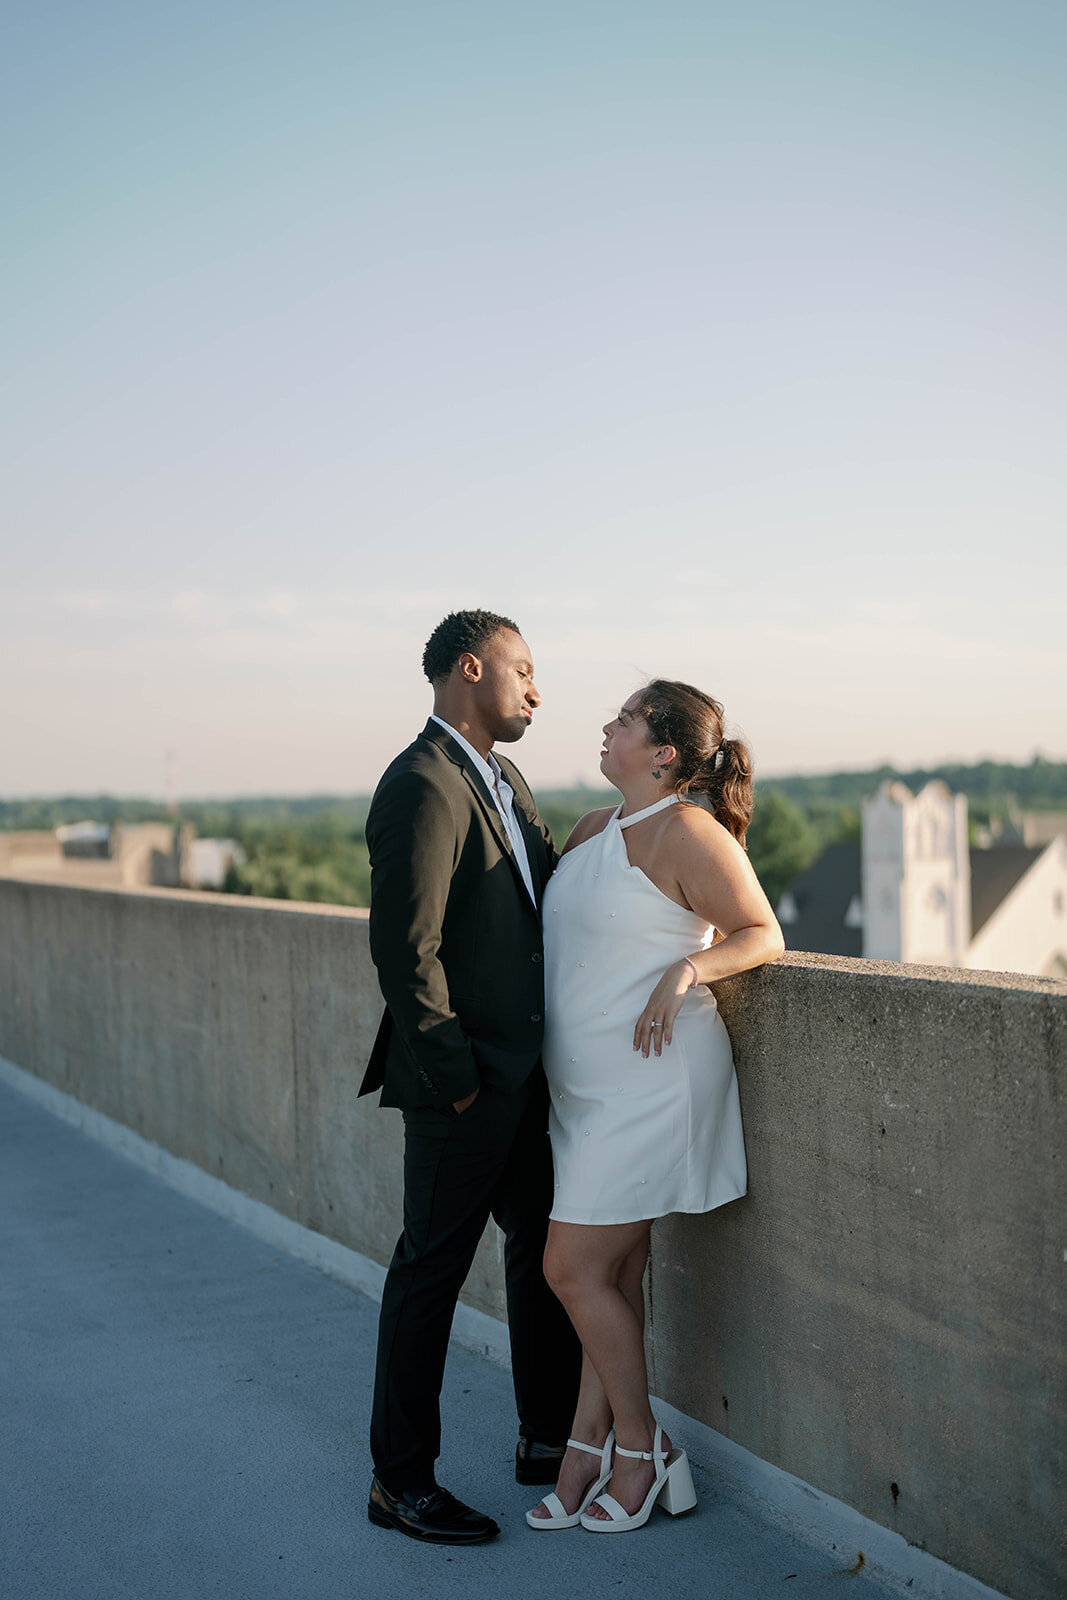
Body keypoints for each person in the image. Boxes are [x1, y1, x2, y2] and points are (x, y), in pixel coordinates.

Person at [527, 679, 784, 1534]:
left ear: (665, 752)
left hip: (652, 1081)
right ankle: (585, 1450)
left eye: (626, 720)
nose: (606, 727)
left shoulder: (688, 832)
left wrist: (687, 970)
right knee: (612, 1273)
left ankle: (641, 1448)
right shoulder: (594, 830)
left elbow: (759, 932)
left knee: (568, 1269)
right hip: (584, 1086)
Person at [359, 609, 582, 1546]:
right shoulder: (420, 784)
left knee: (543, 1258)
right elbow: (406, 954)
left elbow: (534, 904)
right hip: (464, 1088)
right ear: (469, 668)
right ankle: (400, 1482)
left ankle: (545, 1439)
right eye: (522, 670)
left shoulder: (501, 776)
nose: (537, 689)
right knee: (428, 1278)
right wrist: (458, 1081)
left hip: (526, 1081)